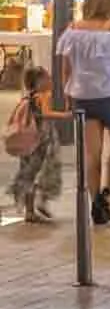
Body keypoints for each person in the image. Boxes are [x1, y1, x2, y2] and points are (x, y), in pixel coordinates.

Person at [58, 0, 110, 226]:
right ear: (109, 5)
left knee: (91, 155)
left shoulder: (72, 31)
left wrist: (68, 96)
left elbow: (66, 70)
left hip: (84, 97)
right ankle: (106, 191)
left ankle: (95, 201)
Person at [8, 67, 69, 223]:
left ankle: (29, 211)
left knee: (29, 173)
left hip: (29, 142)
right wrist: (65, 115)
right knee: (47, 171)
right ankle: (42, 201)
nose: (51, 81)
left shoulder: (27, 97)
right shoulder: (42, 95)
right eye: (47, 78)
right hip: (43, 140)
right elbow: (46, 113)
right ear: (39, 82)